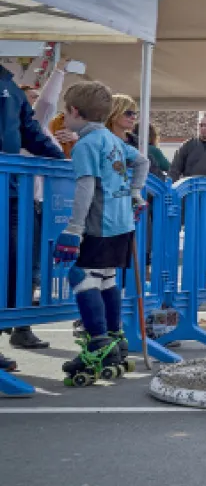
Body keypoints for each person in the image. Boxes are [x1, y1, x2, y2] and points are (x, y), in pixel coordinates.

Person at [52, 81, 149, 384]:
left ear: (75, 112)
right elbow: (142, 160)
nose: (64, 118)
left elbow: (86, 186)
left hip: (100, 223)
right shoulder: (112, 140)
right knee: (106, 278)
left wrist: (74, 228)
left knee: (81, 277)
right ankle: (115, 338)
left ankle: (98, 342)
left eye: (64, 112)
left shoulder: (86, 145)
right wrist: (135, 192)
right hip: (123, 223)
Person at [1, 63, 65, 363]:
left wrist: (61, 160)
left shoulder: (11, 88)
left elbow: (29, 132)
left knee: (16, 264)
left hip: (13, 193)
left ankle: (16, 326)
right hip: (12, 190)